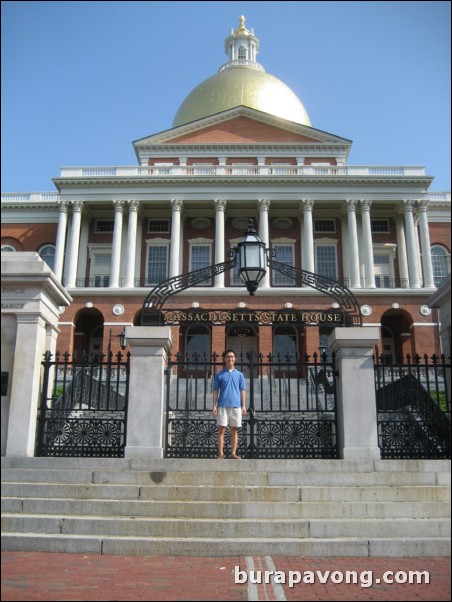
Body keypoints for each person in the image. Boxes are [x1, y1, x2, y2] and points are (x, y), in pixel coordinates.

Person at [212, 350, 246, 459]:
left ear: (234, 359)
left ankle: (233, 453)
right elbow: (216, 390)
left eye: (232, 357)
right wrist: (214, 405)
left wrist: (244, 406)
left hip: (236, 406)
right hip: (222, 405)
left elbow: (242, 391)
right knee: (222, 429)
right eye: (228, 357)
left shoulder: (240, 375)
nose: (230, 359)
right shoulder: (219, 375)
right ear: (224, 359)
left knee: (234, 430)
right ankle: (221, 454)